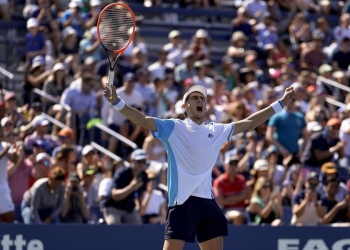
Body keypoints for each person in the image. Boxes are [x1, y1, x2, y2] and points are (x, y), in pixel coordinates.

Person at [103, 82, 295, 250]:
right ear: (186, 106)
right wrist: (116, 102)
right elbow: (142, 120)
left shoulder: (216, 130)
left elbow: (250, 122)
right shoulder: (173, 127)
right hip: (182, 202)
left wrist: (281, 103)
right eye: (194, 98)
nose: (199, 101)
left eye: (202, 98)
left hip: (207, 202)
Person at [100, 149, 148, 225]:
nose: (141, 164)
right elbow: (115, 196)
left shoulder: (144, 176)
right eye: (139, 161)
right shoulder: (121, 173)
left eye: (144, 162)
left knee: (138, 227)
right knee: (115, 227)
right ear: (132, 161)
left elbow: (141, 195)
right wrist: (131, 187)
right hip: (112, 206)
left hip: (128, 208)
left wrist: (140, 209)